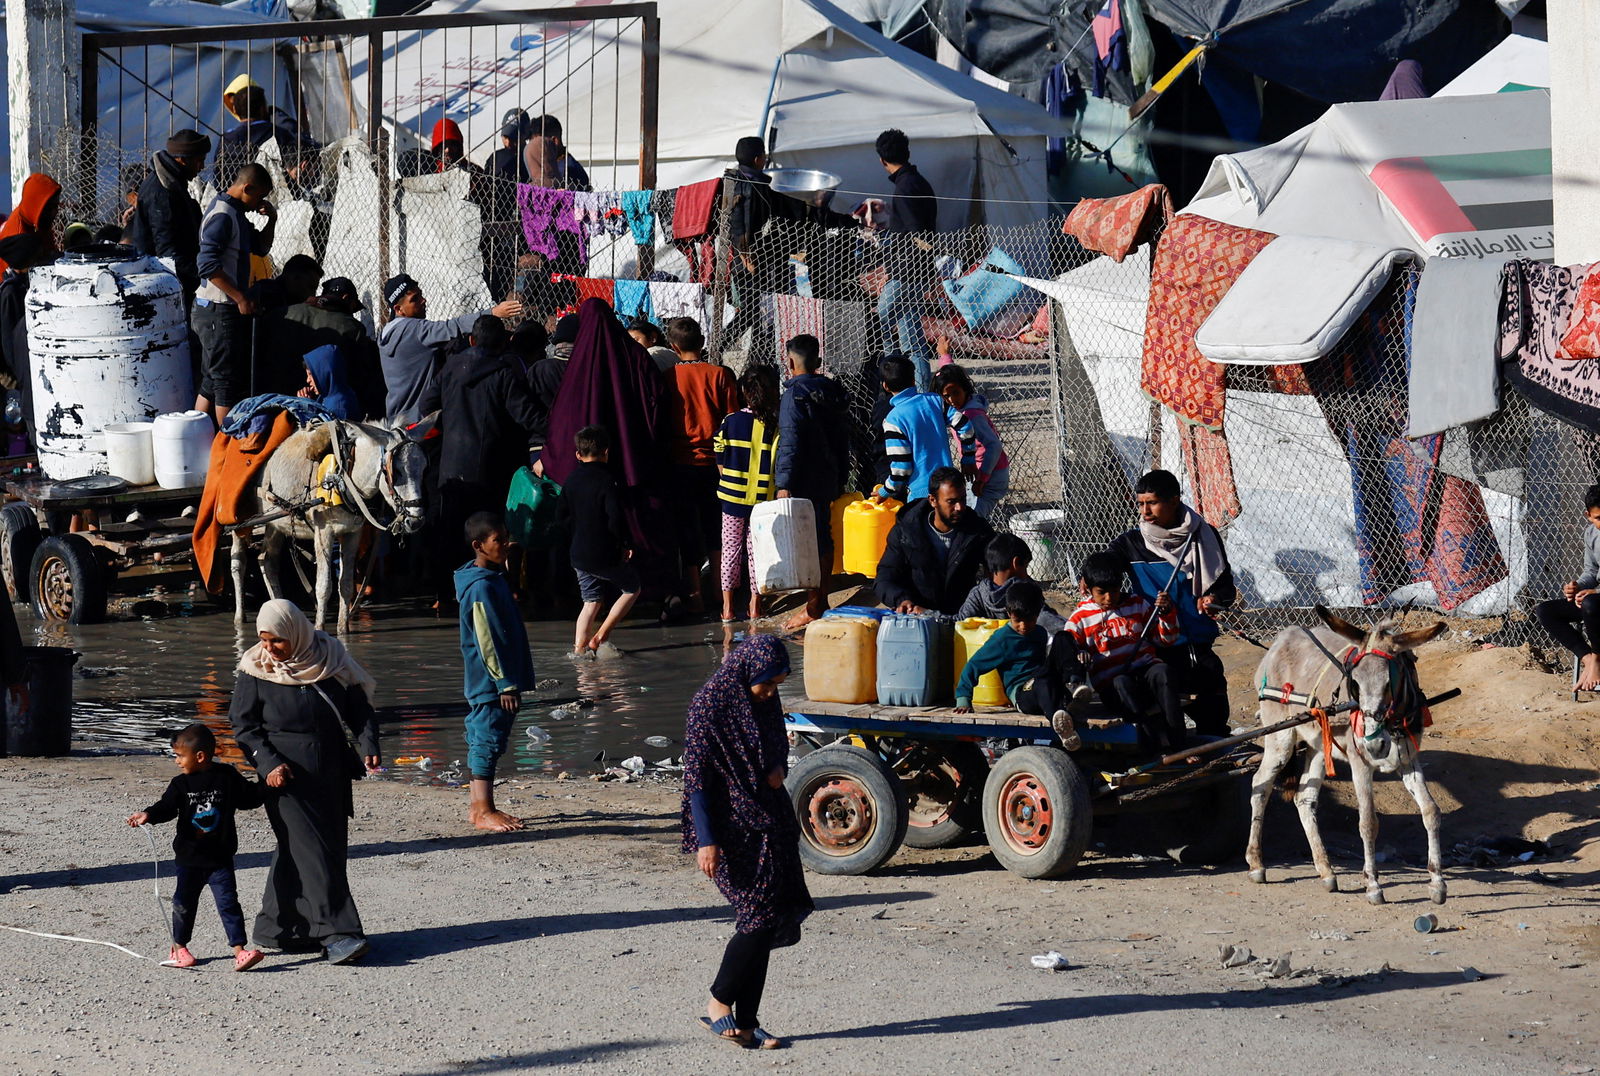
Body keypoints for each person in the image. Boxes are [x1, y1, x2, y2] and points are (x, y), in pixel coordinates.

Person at [229, 599, 379, 965]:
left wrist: (369, 743)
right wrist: (268, 764)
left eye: (277, 640)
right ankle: (338, 933)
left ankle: (281, 929)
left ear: (296, 632)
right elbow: (244, 727)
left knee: (306, 849)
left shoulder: (329, 658)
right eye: (264, 639)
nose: (270, 648)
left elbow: (358, 707)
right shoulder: (255, 669)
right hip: (286, 779)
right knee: (315, 852)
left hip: (331, 771)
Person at [682, 633, 811, 1050]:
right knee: (756, 916)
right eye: (767, 683)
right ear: (746, 672)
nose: (771, 693)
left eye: (776, 684)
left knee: (767, 917)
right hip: (729, 827)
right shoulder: (709, 706)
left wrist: (777, 768)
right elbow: (697, 780)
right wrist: (707, 841)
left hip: (770, 820)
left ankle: (749, 1023)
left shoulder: (763, 701)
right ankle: (719, 1002)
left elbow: (773, 746)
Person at [125, 722, 267, 971]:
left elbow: (249, 798)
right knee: (183, 904)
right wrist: (147, 814)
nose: (177, 761)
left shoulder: (227, 776)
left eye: (180, 756)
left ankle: (240, 951)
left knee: (229, 904)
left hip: (220, 859)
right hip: (189, 859)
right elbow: (166, 807)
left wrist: (268, 781)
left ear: (200, 756)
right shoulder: (181, 785)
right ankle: (179, 948)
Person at [1106, 469, 1238, 736]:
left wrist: (1214, 599)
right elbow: (1106, 567)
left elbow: (1225, 587)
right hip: (1156, 648)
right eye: (1141, 504)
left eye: (1151, 503)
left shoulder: (1204, 536)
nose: (1145, 511)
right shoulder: (1131, 543)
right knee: (1163, 715)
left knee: (1213, 708)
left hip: (1199, 643)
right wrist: (1091, 574)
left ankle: (1214, 751)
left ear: (1175, 500)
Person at [424, 314, 542, 592]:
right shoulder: (503, 373)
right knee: (487, 531)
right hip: (489, 467)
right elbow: (526, 415)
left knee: (452, 530)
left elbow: (426, 405)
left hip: (451, 466)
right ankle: (488, 588)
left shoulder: (451, 367)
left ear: (472, 340)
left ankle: (446, 592)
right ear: (503, 344)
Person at [454, 511, 538, 832]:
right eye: (498, 541)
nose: (505, 545)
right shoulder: (479, 588)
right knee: (488, 738)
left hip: (491, 678)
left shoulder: (491, 579)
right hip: (490, 679)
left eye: (505, 537)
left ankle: (478, 807)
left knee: (484, 735)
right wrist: (504, 683)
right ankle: (486, 809)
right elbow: (486, 639)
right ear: (479, 545)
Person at [1065, 551, 1185, 751]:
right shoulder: (1080, 618)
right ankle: (1150, 744)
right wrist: (1078, 654)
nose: (1109, 597)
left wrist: (1166, 613)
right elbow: (1067, 648)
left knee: (1162, 671)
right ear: (1087, 586)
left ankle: (1179, 745)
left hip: (1145, 678)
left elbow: (1166, 640)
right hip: (1114, 689)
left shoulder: (1137, 604)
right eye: (1101, 592)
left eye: (1114, 590)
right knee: (1122, 682)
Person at [953, 581, 1090, 746]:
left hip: (1043, 680)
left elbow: (1053, 660)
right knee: (1043, 682)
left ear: (1038, 613)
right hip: (1024, 693)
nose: (1024, 626)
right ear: (1009, 612)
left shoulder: (1039, 632)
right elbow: (973, 666)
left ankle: (1073, 685)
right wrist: (963, 698)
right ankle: (1061, 723)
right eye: (1018, 620)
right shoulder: (1002, 639)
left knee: (1064, 637)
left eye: (1030, 619)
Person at [774, 333, 850, 625]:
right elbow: (843, 440)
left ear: (790, 362)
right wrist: (842, 474)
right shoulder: (833, 393)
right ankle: (820, 599)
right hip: (828, 475)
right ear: (818, 361)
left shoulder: (794, 395)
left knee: (809, 541)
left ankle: (814, 606)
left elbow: (790, 442)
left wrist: (784, 483)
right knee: (822, 537)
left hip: (803, 479)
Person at [664, 317, 739, 613]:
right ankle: (722, 596)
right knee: (715, 526)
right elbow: (733, 419)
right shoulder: (719, 374)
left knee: (686, 527)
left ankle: (694, 593)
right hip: (716, 463)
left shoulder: (668, 377)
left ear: (673, 347)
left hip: (680, 462)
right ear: (703, 343)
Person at [377, 273, 521, 425]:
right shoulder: (415, 330)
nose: (423, 301)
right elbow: (453, 327)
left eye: (420, 295)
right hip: (420, 422)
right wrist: (493, 313)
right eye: (415, 300)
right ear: (399, 309)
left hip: (397, 418)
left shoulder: (386, 333)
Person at [194, 163, 277, 426]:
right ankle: (228, 445)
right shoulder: (223, 215)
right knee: (225, 383)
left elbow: (260, 248)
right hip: (218, 309)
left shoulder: (236, 214)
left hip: (216, 308)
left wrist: (271, 220)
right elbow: (206, 264)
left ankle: (199, 435)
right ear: (247, 187)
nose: (259, 203)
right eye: (260, 196)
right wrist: (239, 297)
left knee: (212, 380)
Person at [557, 425, 640, 657]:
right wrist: (625, 544)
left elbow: (560, 516)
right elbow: (615, 518)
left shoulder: (571, 480)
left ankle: (578, 650)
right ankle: (601, 635)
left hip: (578, 553)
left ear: (578, 455)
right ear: (606, 452)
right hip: (602, 552)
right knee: (632, 587)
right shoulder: (607, 481)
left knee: (590, 602)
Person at [874, 466, 993, 615]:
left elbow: (1000, 561)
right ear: (933, 500)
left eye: (963, 499)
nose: (960, 507)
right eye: (951, 501)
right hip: (918, 617)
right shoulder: (906, 532)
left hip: (963, 618)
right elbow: (885, 577)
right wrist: (902, 600)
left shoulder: (976, 530)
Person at [714, 366, 781, 623]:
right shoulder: (774, 424)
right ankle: (755, 605)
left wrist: (728, 478)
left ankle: (728, 609)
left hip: (732, 497)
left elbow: (719, 451)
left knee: (730, 551)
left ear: (743, 391)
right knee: (757, 552)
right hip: (763, 499)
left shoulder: (730, 421)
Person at [873, 128, 938, 389]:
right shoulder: (917, 182)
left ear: (882, 160)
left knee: (882, 317)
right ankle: (917, 388)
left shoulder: (905, 188)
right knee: (912, 338)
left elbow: (917, 234)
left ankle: (893, 376)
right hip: (914, 272)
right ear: (908, 153)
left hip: (907, 273)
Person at [873, 354, 974, 504]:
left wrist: (885, 491)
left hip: (921, 497)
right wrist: (968, 458)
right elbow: (965, 426)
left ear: (885, 386)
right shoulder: (935, 401)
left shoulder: (893, 420)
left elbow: (901, 469)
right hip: (948, 489)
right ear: (914, 380)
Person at [282, 276, 384, 420]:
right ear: (346, 298)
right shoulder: (352, 327)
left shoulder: (288, 312)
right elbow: (361, 372)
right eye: (354, 308)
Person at [127, 130, 211, 303]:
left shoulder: (171, 183)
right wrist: (198, 278)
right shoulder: (162, 193)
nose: (202, 167)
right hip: (166, 286)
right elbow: (168, 251)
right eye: (199, 161)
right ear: (182, 159)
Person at [1535, 483, 1600, 689]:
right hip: (1595, 603)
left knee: (1590, 603)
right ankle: (1587, 657)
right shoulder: (1591, 534)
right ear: (1588, 516)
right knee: (1545, 610)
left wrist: (1596, 592)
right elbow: (1591, 572)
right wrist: (1577, 586)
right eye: (1598, 518)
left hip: (1597, 603)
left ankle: (1598, 660)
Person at [214, 74, 316, 188]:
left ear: (235, 110)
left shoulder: (225, 140)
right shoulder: (277, 132)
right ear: (263, 107)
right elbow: (302, 154)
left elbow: (218, 176)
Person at [934, 364, 1009, 518]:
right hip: (979, 471)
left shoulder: (972, 416)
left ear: (965, 389)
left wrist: (982, 479)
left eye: (955, 393)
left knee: (973, 519)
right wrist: (944, 356)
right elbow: (949, 377)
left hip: (990, 472)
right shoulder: (962, 407)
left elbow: (994, 446)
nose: (952, 400)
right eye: (946, 396)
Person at [958, 533, 1064, 632]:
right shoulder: (1024, 591)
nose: (1027, 574)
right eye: (1025, 567)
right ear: (1016, 563)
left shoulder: (978, 594)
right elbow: (1046, 619)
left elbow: (960, 623)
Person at [531, 114, 591, 191]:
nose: (534, 149)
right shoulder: (551, 165)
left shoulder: (568, 171)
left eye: (538, 144)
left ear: (554, 141)